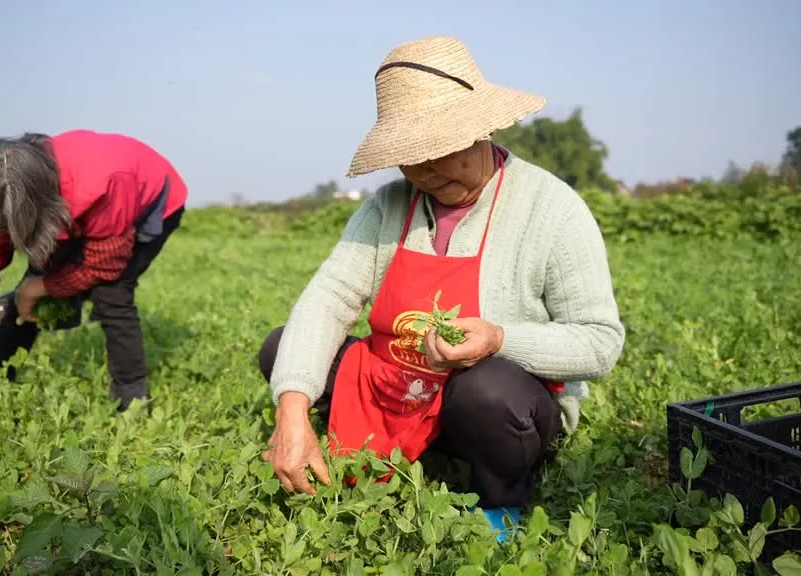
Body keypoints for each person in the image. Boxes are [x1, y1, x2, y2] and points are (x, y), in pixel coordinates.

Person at [257, 36, 624, 543]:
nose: (427, 170)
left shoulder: (552, 209)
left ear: (484, 130)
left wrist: (497, 339)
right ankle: (387, 449)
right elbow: (328, 298)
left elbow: (601, 343)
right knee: (284, 350)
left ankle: (500, 503)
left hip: (498, 407)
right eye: (411, 156)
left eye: (441, 150)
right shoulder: (388, 206)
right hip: (403, 386)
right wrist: (291, 412)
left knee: (485, 390)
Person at [0, 129, 188, 417]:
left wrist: (40, 287)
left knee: (112, 294)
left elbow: (103, 264)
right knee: (28, 294)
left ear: (29, 211)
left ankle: (131, 402)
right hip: (65, 205)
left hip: (145, 202)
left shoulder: (103, 181)